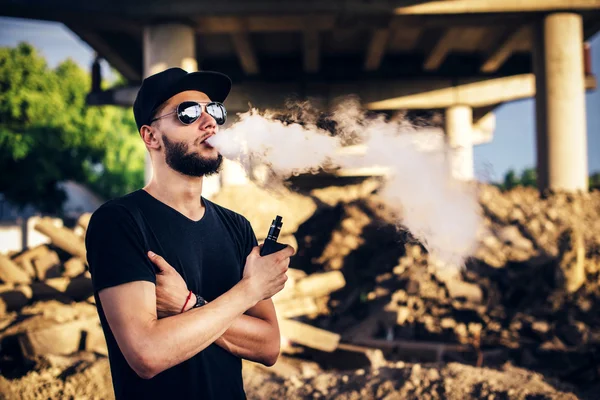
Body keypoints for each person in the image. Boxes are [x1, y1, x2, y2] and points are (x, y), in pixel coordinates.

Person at [84, 67, 294, 400]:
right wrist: (249, 290)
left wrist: (188, 305)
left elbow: (268, 345)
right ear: (151, 137)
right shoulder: (119, 222)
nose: (209, 122)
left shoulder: (237, 227)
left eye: (215, 111)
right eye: (188, 113)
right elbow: (147, 354)